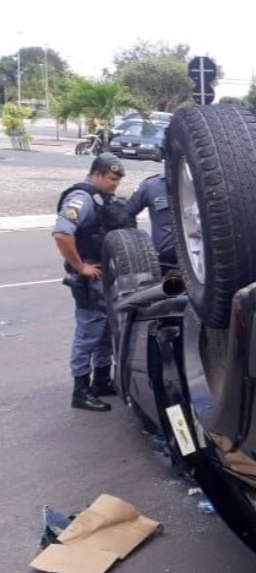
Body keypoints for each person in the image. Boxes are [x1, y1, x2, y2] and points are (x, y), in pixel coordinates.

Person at [52, 153, 137, 411]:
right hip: (90, 279)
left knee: (106, 330)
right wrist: (81, 266)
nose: (115, 185)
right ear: (96, 174)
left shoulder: (100, 199)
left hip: (107, 276)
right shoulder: (80, 199)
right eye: (111, 179)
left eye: (118, 181)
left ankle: (101, 380)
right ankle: (81, 390)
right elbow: (61, 233)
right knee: (88, 333)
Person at [125, 173, 177, 273]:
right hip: (164, 263)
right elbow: (127, 213)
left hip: (199, 264)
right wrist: (138, 245)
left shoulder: (205, 184)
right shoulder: (151, 186)